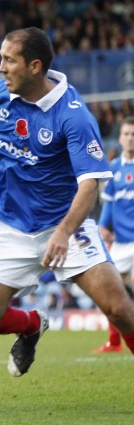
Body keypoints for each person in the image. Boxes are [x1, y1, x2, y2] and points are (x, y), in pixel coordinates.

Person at [0, 27, 134, 377]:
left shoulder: (73, 116)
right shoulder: (3, 92)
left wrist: (62, 232)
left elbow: (90, 186)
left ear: (35, 66)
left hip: (64, 225)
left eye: (9, 60)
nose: (1, 67)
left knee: (118, 309)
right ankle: (30, 325)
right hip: (11, 225)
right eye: (1, 58)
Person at [94, 116, 134, 353]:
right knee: (110, 292)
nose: (130, 139)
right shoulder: (113, 169)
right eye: (127, 134)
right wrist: (101, 226)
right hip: (120, 242)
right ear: (120, 138)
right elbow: (108, 204)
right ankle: (114, 342)